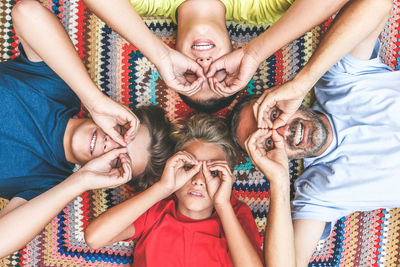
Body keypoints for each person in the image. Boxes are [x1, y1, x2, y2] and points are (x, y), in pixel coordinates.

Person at [230, 0, 398, 265]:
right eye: (267, 141)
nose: (282, 130)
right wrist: (279, 181)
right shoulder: (319, 192)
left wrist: (302, 82)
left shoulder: (339, 80)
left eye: (273, 115)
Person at [0, 0, 174, 258]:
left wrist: (80, 182)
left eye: (120, 159)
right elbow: (26, 11)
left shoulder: (47, 187)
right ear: (121, 114)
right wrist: (94, 101)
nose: (112, 144)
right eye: (124, 133)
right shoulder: (62, 87)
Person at [82, 0, 350, 113]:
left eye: (191, 74)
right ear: (235, 50)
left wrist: (159, 54)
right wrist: (256, 53)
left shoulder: (143, 5)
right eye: (219, 73)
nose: (204, 65)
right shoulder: (264, 8)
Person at [84, 114, 264, 267]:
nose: (199, 180)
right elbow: (94, 237)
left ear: (227, 179)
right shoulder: (156, 208)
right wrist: (163, 188)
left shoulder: (234, 213)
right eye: (188, 167)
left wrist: (223, 204)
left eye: (213, 172)